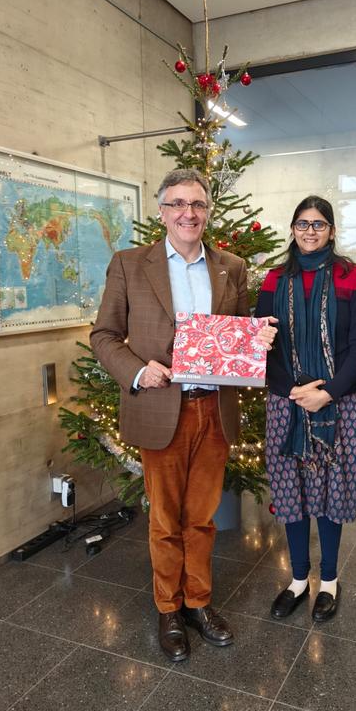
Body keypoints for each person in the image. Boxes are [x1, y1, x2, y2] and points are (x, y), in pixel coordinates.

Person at [90, 168, 276, 662]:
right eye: (177, 204)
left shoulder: (230, 267)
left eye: (196, 204)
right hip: (159, 409)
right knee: (165, 521)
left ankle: (198, 601)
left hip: (213, 410)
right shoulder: (131, 264)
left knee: (202, 518)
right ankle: (167, 609)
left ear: (207, 210)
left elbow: (237, 334)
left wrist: (256, 340)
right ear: (162, 211)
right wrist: (135, 370)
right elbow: (103, 336)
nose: (187, 213)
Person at [255, 196, 356, 622]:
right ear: (292, 228)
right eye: (302, 224)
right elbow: (261, 347)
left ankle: (328, 582)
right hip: (286, 402)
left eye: (319, 224)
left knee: (330, 493)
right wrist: (291, 390)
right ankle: (298, 579)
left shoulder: (349, 276)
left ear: (332, 231)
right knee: (292, 492)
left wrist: (329, 392)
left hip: (335, 402)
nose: (310, 231)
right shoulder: (273, 280)